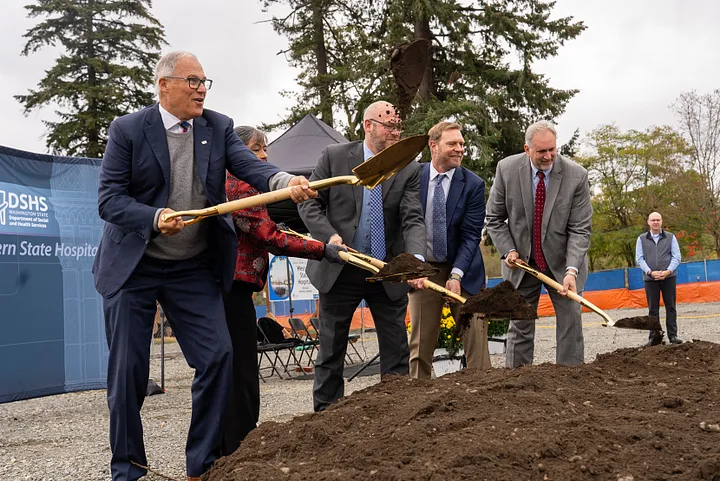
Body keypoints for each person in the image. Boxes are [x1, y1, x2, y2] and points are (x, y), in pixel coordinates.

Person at [93, 51, 316, 481]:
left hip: (191, 267)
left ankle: (203, 465)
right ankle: (129, 468)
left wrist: (285, 183)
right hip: (135, 265)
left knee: (218, 357)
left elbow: (250, 166)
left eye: (204, 82)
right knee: (128, 373)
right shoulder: (127, 130)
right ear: (164, 85)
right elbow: (109, 200)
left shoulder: (217, 126)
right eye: (192, 81)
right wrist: (154, 217)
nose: (201, 90)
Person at [220, 126, 346, 456]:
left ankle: (235, 441)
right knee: (241, 370)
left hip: (236, 288)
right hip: (231, 289)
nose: (263, 156)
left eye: (264, 149)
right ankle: (237, 445)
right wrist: (321, 249)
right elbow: (268, 235)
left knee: (237, 368)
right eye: (255, 149)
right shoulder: (239, 184)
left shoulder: (240, 183)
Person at [298, 100, 426, 412]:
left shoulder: (408, 167)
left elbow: (412, 218)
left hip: (386, 269)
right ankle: (327, 415)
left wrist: (415, 260)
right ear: (368, 126)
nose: (395, 132)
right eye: (388, 125)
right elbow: (308, 203)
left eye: (398, 126)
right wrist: (329, 236)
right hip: (341, 267)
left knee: (396, 348)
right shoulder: (336, 157)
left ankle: (395, 412)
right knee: (331, 348)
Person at [485, 120, 592, 368]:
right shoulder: (507, 169)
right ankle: (517, 383)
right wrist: (509, 250)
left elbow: (580, 229)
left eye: (552, 149)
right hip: (522, 265)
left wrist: (571, 271)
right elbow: (494, 218)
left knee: (570, 325)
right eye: (541, 151)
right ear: (527, 149)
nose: (548, 156)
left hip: (563, 265)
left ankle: (570, 378)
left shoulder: (576, 176)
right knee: (520, 325)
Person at [407, 121, 491, 378]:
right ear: (433, 146)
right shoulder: (412, 177)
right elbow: (406, 223)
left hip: (463, 268)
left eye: (462, 144)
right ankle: (416, 395)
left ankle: (484, 393)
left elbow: (470, 236)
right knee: (420, 345)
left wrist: (456, 276)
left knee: (476, 337)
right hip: (425, 269)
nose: (460, 149)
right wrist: (413, 265)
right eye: (452, 143)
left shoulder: (473, 184)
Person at [635, 211, 682, 345]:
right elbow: (639, 259)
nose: (655, 222)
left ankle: (673, 336)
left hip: (668, 277)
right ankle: (654, 337)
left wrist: (668, 271)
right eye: (653, 220)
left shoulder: (671, 237)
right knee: (653, 309)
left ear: (661, 222)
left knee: (671, 307)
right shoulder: (641, 239)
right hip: (650, 279)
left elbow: (676, 256)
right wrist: (650, 272)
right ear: (648, 222)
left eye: (658, 220)